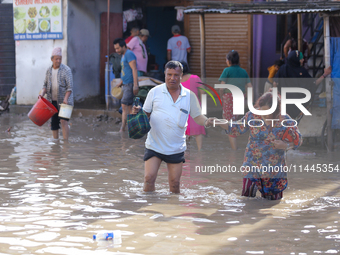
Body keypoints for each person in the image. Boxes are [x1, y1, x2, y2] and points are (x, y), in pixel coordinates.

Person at [132, 61, 215, 194]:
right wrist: (137, 114)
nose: (172, 78)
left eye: (176, 75)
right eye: (169, 74)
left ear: (181, 76)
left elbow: (198, 117)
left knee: (175, 184)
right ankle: (148, 208)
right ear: (164, 74)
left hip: (176, 147)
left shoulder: (189, 96)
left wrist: (207, 121)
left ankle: (174, 210)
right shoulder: (154, 92)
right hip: (155, 145)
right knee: (148, 179)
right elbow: (145, 114)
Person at [218, 92, 303, 200]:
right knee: (246, 201)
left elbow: (298, 140)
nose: (264, 115)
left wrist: (285, 145)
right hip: (252, 165)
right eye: (262, 110)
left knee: (272, 204)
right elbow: (236, 128)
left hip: (274, 170)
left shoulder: (285, 120)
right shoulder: (252, 116)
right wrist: (218, 122)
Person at [273, 50, 332, 120]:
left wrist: (276, 96)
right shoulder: (302, 72)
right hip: (296, 106)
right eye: (301, 59)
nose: (303, 60)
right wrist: (324, 75)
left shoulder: (283, 68)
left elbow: (275, 83)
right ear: (296, 60)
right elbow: (313, 84)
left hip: (283, 104)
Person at [218, 50, 252, 150]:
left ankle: (234, 150)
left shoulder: (227, 71)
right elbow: (250, 86)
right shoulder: (243, 71)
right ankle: (233, 143)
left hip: (229, 97)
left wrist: (221, 98)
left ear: (228, 61)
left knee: (229, 123)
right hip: (240, 97)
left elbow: (221, 88)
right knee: (234, 121)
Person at [39, 47, 73, 140]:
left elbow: (69, 88)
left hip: (65, 101)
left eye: (60, 59)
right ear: (52, 59)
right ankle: (55, 143)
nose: (58, 61)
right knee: (54, 123)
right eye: (56, 59)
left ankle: (66, 143)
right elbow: (45, 85)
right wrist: (42, 94)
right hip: (52, 101)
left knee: (63, 121)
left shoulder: (66, 70)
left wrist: (66, 99)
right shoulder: (48, 71)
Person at [113, 38, 139, 132]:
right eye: (115, 49)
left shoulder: (129, 54)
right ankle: (132, 127)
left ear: (124, 46)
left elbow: (134, 69)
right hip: (126, 83)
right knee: (128, 107)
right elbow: (126, 71)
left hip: (130, 84)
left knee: (124, 105)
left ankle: (123, 129)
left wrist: (135, 85)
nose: (116, 51)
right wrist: (121, 83)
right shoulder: (124, 55)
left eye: (118, 48)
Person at [180, 62, 206, 151]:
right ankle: (200, 150)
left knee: (183, 131)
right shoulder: (195, 78)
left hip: (181, 109)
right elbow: (203, 92)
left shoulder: (176, 80)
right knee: (198, 131)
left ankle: (185, 152)